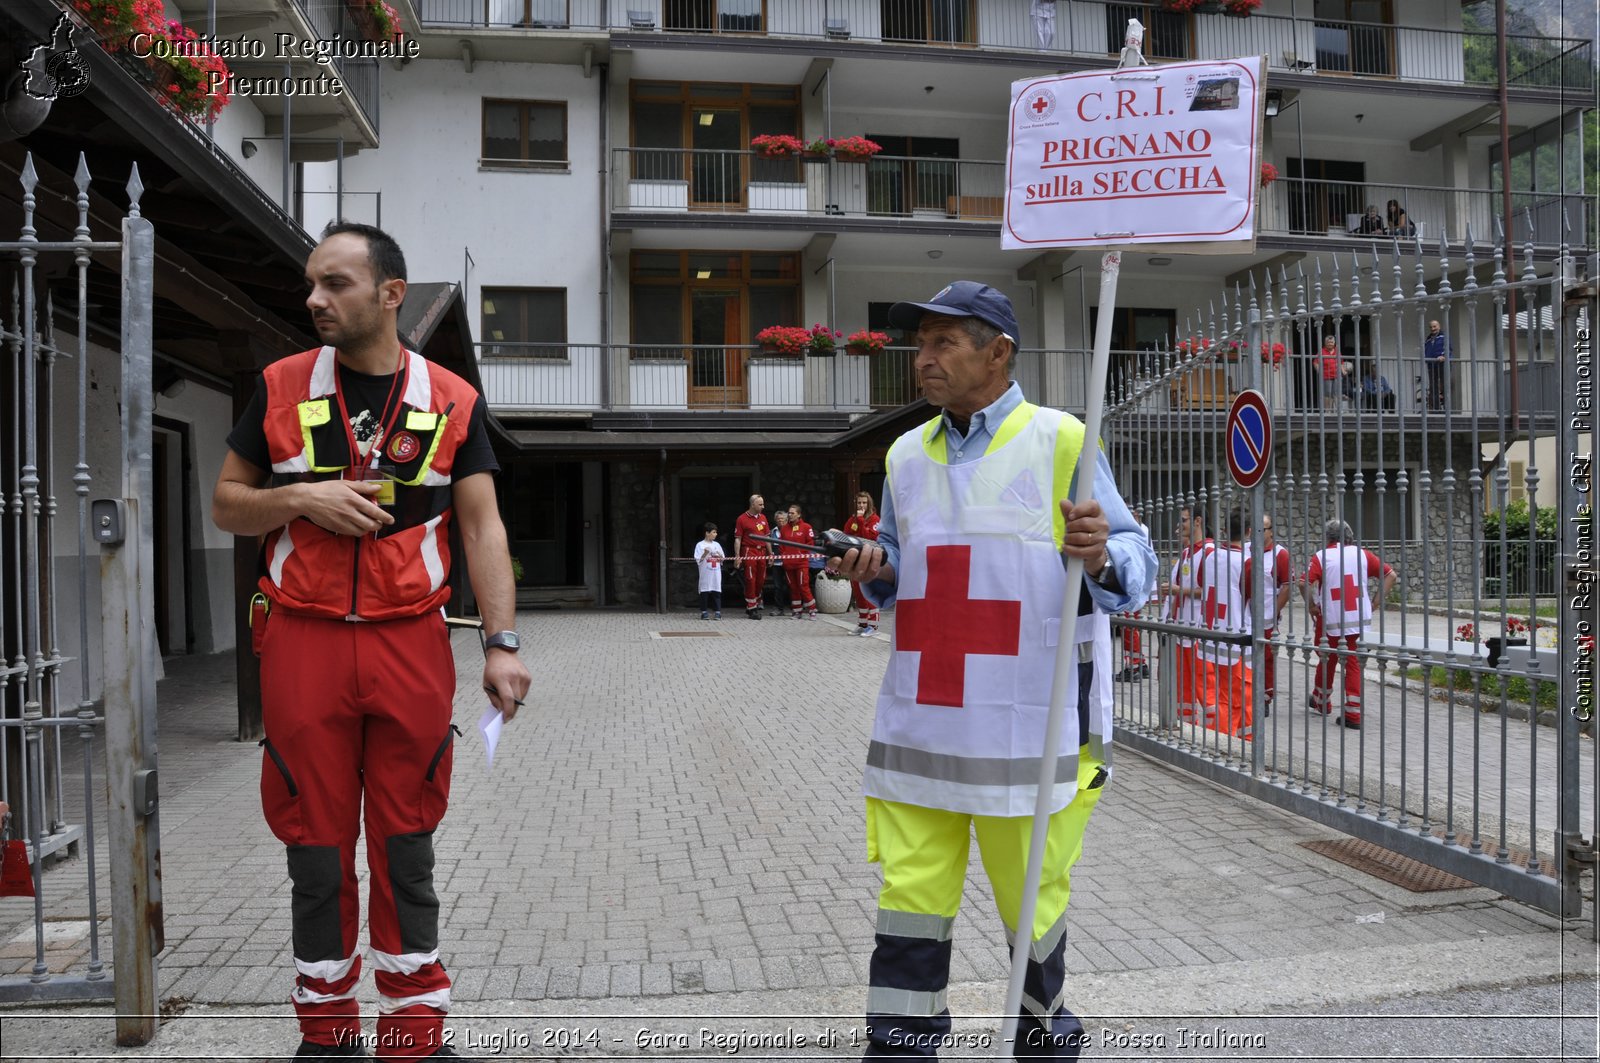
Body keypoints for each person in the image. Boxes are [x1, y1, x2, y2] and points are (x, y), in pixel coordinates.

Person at [212, 222, 531, 1062]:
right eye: (312, 284)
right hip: (303, 639)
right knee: (315, 845)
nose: (315, 298)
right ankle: (326, 1033)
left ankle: (415, 1034)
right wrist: (300, 501)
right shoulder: (280, 386)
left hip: (410, 641)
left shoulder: (453, 398)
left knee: (405, 842)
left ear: (391, 294)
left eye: (336, 283)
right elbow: (226, 502)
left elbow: (481, 524)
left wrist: (500, 641)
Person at [827, 281, 1157, 1060]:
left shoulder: (1063, 440)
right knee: (909, 907)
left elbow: (1139, 566)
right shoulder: (904, 454)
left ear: (998, 352)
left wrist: (1101, 551)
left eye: (944, 342)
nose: (923, 358)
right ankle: (900, 1048)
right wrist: (873, 568)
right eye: (920, 343)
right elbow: (909, 569)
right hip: (926, 730)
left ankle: (1043, 1047)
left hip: (1031, 736)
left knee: (1031, 916)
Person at [1304, 519, 1397, 730]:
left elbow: (1304, 582)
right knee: (1353, 662)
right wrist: (1375, 602)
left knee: (1327, 658)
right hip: (1359, 619)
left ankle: (1322, 701)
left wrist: (1311, 605)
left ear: (1328, 537)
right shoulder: (1362, 554)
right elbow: (1391, 575)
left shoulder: (1322, 556)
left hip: (1331, 619)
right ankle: (1352, 711)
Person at [1196, 511, 1252, 740]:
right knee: (1241, 695)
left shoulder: (1209, 556)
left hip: (1211, 633)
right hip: (1236, 636)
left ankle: (1217, 736)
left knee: (1218, 694)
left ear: (1224, 530)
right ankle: (1240, 741)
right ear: (1249, 532)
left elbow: (1201, 582)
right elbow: (1252, 597)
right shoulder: (1247, 561)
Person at [1163, 505, 1214, 724]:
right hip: (1180, 626)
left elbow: (1210, 591)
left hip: (1198, 627)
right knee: (1182, 681)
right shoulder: (1186, 553)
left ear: (1197, 521)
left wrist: (1177, 591)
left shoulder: (1210, 553)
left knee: (1204, 681)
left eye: (1183, 521)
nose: (1178, 527)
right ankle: (1185, 724)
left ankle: (1215, 727)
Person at [1240, 513, 1291, 717]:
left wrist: (1273, 611)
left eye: (1264, 529)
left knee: (1266, 658)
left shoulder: (1280, 554)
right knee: (1244, 656)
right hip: (1242, 615)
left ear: (1271, 532)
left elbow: (1287, 587)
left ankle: (1264, 697)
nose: (1257, 533)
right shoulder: (1243, 550)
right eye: (1254, 529)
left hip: (1267, 617)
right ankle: (1245, 693)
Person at [1117, 508, 1152, 681]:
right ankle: (1140, 663)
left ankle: (1135, 665)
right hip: (1135, 583)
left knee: (1129, 626)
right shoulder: (1141, 529)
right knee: (1131, 627)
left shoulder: (1138, 530)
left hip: (1132, 583)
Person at [843, 491, 882, 636]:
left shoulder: (875, 519)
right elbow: (846, 535)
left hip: (869, 560)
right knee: (859, 593)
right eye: (859, 502)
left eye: (864, 502)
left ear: (869, 504)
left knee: (869, 592)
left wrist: (860, 521)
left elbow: (870, 538)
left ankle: (873, 626)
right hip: (855, 561)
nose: (861, 505)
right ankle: (863, 623)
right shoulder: (852, 520)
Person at [732, 494, 771, 620]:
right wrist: (737, 556)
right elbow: (738, 539)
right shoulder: (741, 519)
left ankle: (755, 601)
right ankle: (752, 607)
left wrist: (770, 554)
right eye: (760, 504)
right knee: (750, 579)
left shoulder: (763, 518)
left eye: (763, 504)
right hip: (749, 551)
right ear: (752, 504)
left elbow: (767, 538)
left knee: (761, 580)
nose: (763, 507)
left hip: (762, 552)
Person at [780, 503, 818, 619]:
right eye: (789, 513)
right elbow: (781, 545)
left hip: (801, 563)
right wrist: (784, 555)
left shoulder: (806, 527)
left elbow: (810, 544)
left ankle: (812, 610)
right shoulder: (784, 528)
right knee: (793, 588)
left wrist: (802, 555)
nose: (790, 515)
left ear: (799, 515)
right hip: (788, 564)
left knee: (803, 586)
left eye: (792, 513)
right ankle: (797, 611)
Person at [694, 522, 726, 620]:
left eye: (716, 532)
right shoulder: (700, 545)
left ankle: (717, 612)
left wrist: (719, 556)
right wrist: (705, 553)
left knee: (716, 591)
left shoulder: (717, 545)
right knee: (704, 592)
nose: (716, 534)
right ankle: (704, 612)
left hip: (715, 572)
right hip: (705, 573)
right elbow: (698, 559)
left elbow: (723, 558)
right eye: (713, 532)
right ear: (707, 533)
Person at [767, 507, 790, 616]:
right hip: (777, 563)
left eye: (783, 519)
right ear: (776, 520)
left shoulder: (791, 531)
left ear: (787, 520)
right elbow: (769, 546)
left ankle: (795, 607)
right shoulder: (773, 532)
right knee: (777, 586)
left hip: (789, 562)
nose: (781, 521)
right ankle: (779, 608)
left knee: (791, 585)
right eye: (778, 519)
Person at [1424, 319, 1451, 411]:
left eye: (1434, 326)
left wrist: (1443, 356)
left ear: (1439, 326)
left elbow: (1449, 348)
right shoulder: (1428, 339)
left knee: (1444, 385)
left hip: (1442, 364)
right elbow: (1427, 350)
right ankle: (1436, 409)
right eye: (1431, 327)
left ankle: (1447, 408)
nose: (1432, 328)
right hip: (1431, 365)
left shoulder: (1444, 336)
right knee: (1433, 386)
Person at [1318, 335, 1342, 411]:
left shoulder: (1337, 351)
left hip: (1337, 375)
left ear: (1334, 343)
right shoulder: (1322, 351)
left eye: (1331, 342)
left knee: (1336, 393)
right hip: (1326, 375)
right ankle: (1327, 410)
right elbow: (1316, 362)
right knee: (1328, 393)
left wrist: (1343, 370)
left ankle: (1338, 410)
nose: (1330, 344)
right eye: (1328, 342)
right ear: (1325, 343)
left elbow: (1340, 362)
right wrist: (1319, 370)